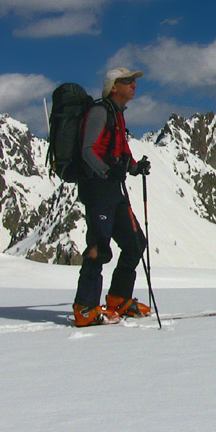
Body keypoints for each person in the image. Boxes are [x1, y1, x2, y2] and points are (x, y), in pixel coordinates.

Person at [72, 67, 153, 327]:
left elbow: (119, 152)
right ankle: (85, 308)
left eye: (134, 81)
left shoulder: (117, 116)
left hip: (112, 189)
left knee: (135, 243)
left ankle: (118, 299)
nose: (134, 85)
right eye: (128, 81)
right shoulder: (100, 112)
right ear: (113, 87)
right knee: (98, 247)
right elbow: (87, 151)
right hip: (97, 189)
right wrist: (107, 172)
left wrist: (134, 167)